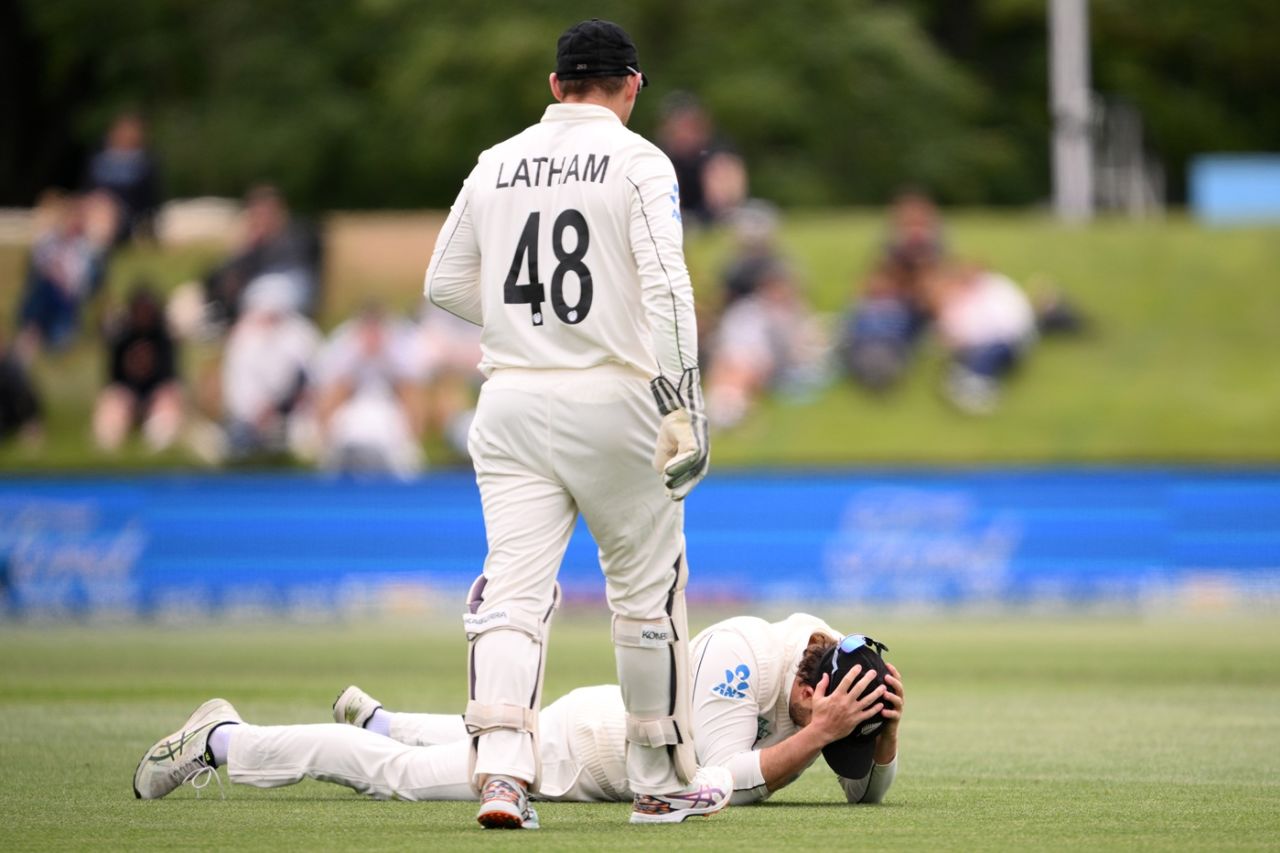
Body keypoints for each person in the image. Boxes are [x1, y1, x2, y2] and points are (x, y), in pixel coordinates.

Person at [420, 18, 719, 828]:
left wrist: (528, 325)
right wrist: (683, 403)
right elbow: (667, 287)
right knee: (646, 591)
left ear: (556, 87)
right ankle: (658, 779)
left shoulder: (496, 161)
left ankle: (503, 775)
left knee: (512, 591)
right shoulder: (640, 160)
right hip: (613, 396)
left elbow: (444, 281)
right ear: (630, 87)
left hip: (512, 399)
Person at [132, 613, 905, 824]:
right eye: (830, 717)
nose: (833, 731)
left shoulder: (830, 662)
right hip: (575, 755)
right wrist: (816, 736)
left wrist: (885, 729)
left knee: (420, 745)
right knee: (396, 782)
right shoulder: (742, 655)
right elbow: (706, 784)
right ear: (810, 688)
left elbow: (864, 793)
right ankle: (221, 738)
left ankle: (383, 718)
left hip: (587, 729)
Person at [313, 304, 425, 477]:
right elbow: (331, 396)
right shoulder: (342, 345)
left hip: (389, 415)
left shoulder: (401, 345)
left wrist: (412, 433)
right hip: (351, 415)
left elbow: (411, 393)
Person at [926, 263, 1036, 415]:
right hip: (1005, 341)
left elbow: (1001, 328)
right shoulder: (972, 297)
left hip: (1008, 343)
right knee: (972, 356)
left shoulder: (990, 290)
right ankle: (967, 383)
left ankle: (977, 387)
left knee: (984, 354)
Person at [92, 285, 183, 452]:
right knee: (112, 404)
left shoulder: (164, 338)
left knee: (168, 402)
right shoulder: (121, 337)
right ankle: (109, 451)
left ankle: (157, 447)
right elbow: (113, 381)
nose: (143, 314)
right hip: (127, 393)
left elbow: (170, 382)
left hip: (156, 395)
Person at [84, 112, 161, 246]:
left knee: (104, 209)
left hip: (122, 215)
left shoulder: (143, 163)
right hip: (93, 206)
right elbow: (86, 190)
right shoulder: (100, 160)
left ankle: (94, 247)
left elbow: (150, 200)